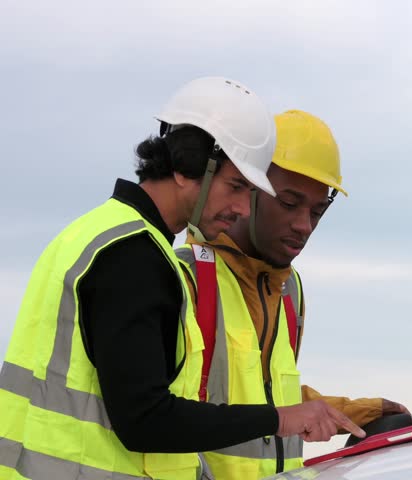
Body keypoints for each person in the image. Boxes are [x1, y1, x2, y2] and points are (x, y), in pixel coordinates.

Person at [0, 78, 363, 480]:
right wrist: (276, 420)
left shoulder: (98, 234)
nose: (243, 208)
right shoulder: (131, 255)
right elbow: (146, 419)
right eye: (236, 186)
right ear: (188, 166)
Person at [177, 110, 409, 479]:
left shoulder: (289, 290)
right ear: (246, 186)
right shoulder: (184, 277)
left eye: (318, 211)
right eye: (288, 203)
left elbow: (267, 398)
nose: (303, 226)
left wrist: (350, 411)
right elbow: (155, 416)